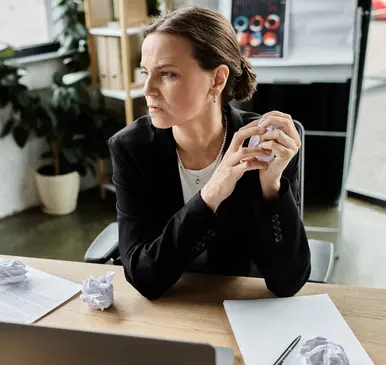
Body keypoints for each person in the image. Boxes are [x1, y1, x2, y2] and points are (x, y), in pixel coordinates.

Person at [108, 6, 311, 300]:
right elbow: (144, 277)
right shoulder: (131, 148)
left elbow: (288, 282)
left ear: (217, 79)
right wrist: (212, 192)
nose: (148, 90)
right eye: (145, 73)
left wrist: (272, 188)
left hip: (240, 311)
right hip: (172, 308)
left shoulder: (265, 146)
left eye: (167, 74)